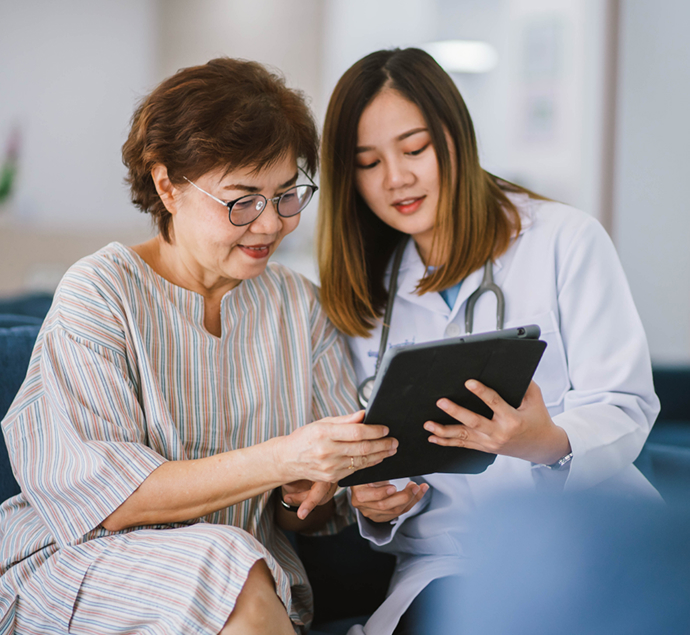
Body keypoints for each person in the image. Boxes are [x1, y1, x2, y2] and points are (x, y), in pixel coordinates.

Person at [0, 58, 398, 635]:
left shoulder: (296, 305)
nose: (269, 225)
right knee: (225, 562)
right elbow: (109, 502)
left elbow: (309, 512)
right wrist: (284, 456)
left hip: (243, 574)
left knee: (234, 561)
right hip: (80, 565)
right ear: (167, 185)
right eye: (242, 200)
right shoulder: (102, 291)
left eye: (287, 195)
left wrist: (310, 489)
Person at [316, 47, 660, 635]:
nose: (395, 178)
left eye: (414, 148)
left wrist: (547, 440)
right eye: (368, 162)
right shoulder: (365, 295)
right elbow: (385, 453)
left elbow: (626, 402)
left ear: (456, 137)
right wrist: (382, 498)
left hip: (586, 533)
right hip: (448, 560)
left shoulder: (564, 240)